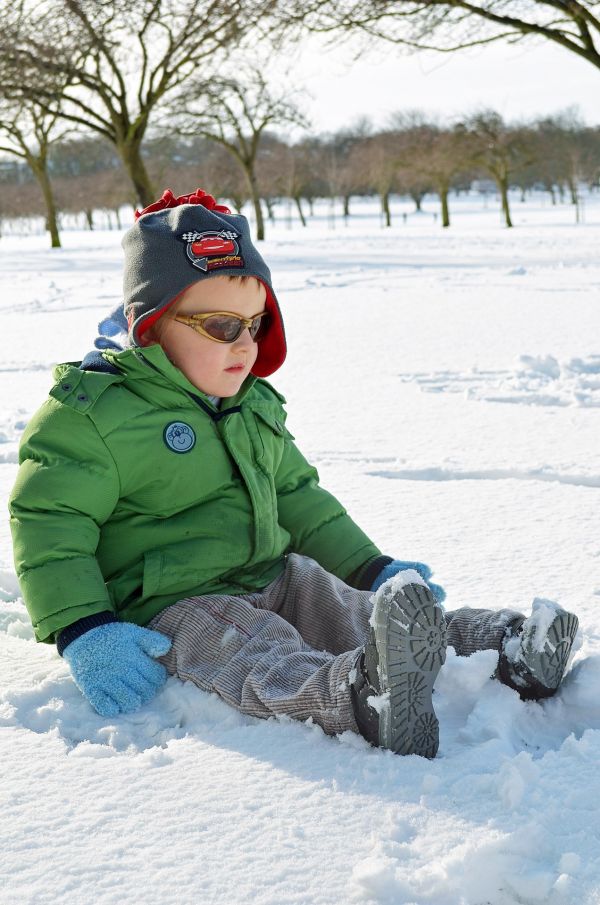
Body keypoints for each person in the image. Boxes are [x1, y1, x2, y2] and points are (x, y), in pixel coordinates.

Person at [8, 189, 579, 759]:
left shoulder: (251, 404)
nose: (247, 346)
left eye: (256, 325)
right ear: (150, 325)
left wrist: (370, 568)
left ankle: (498, 647)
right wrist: (83, 627)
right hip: (173, 603)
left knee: (352, 611)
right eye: (222, 327)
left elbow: (299, 497)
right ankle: (355, 696)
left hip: (273, 574)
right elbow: (50, 523)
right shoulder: (93, 414)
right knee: (258, 654)